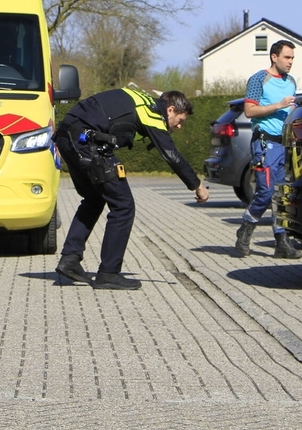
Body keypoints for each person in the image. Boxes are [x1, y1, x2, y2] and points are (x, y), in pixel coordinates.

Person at [54, 88, 210, 290]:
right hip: (87, 141)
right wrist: (197, 185)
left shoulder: (140, 99)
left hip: (68, 137)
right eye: (180, 120)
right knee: (123, 206)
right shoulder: (153, 112)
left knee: (94, 199)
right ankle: (108, 273)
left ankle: (70, 260)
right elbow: (171, 155)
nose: (179, 126)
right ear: (170, 109)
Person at [235, 39, 302, 259]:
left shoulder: (291, 81)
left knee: (283, 194)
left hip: (285, 145)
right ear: (274, 57)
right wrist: (278, 105)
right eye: (287, 57)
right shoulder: (258, 79)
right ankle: (245, 229)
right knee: (264, 192)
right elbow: (250, 111)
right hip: (265, 144)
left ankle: (282, 241)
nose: (291, 62)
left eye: (292, 58)